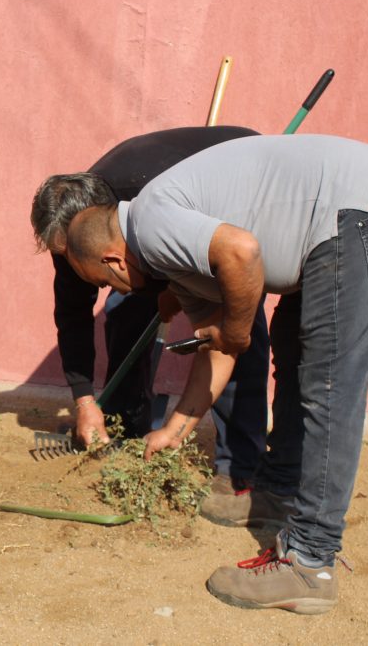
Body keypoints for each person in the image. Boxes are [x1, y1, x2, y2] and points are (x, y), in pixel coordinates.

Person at [63, 133, 368, 614]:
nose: (115, 289)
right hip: (343, 213)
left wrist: (236, 329)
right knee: (295, 356)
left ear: (113, 259)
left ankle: (310, 563)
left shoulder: (150, 224)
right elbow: (217, 350)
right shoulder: (172, 254)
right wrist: (176, 428)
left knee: (329, 383)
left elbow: (243, 252)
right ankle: (279, 489)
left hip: (355, 207)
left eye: (107, 282)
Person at [30, 127, 273, 520]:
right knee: (124, 307)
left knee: (235, 331)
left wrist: (173, 290)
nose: (69, 264)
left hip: (233, 213)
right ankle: (125, 425)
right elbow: (72, 314)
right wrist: (84, 401)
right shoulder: (73, 230)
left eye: (70, 253)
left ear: (95, 222)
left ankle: (240, 467)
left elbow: (232, 253)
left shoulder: (149, 197)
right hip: (137, 242)